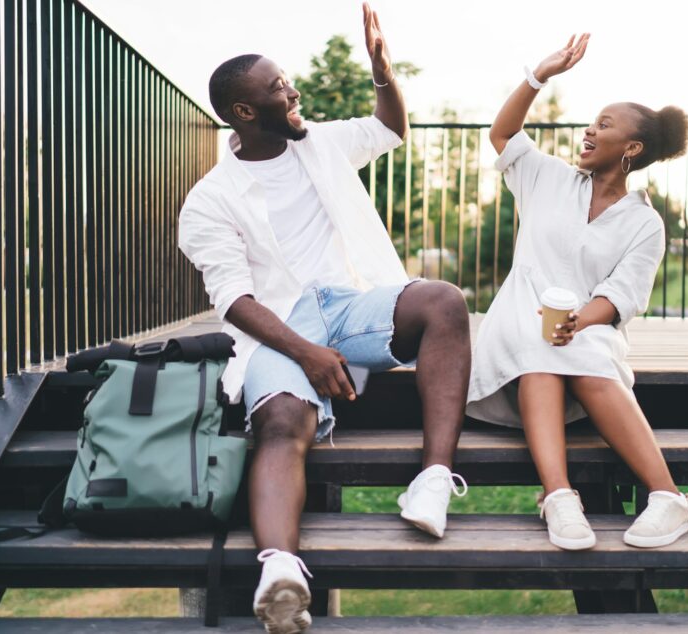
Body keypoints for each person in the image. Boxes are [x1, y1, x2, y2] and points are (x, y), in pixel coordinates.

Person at [178, 5, 470, 632]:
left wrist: (384, 73)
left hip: (348, 305)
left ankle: (434, 480)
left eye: (287, 80)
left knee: (443, 300)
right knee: (281, 418)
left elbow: (389, 129)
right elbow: (233, 300)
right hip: (276, 327)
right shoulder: (209, 201)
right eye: (278, 87)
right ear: (244, 113)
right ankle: (281, 569)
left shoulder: (319, 142)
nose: (293, 91)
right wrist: (307, 353)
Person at [466, 34, 688, 552]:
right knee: (536, 348)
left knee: (578, 350)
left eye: (604, 125)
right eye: (593, 121)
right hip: (519, 324)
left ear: (632, 148)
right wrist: (539, 76)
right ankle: (559, 497)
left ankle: (667, 497)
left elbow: (620, 295)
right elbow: (503, 135)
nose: (589, 131)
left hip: (585, 328)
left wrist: (581, 323)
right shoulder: (546, 178)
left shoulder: (645, 224)